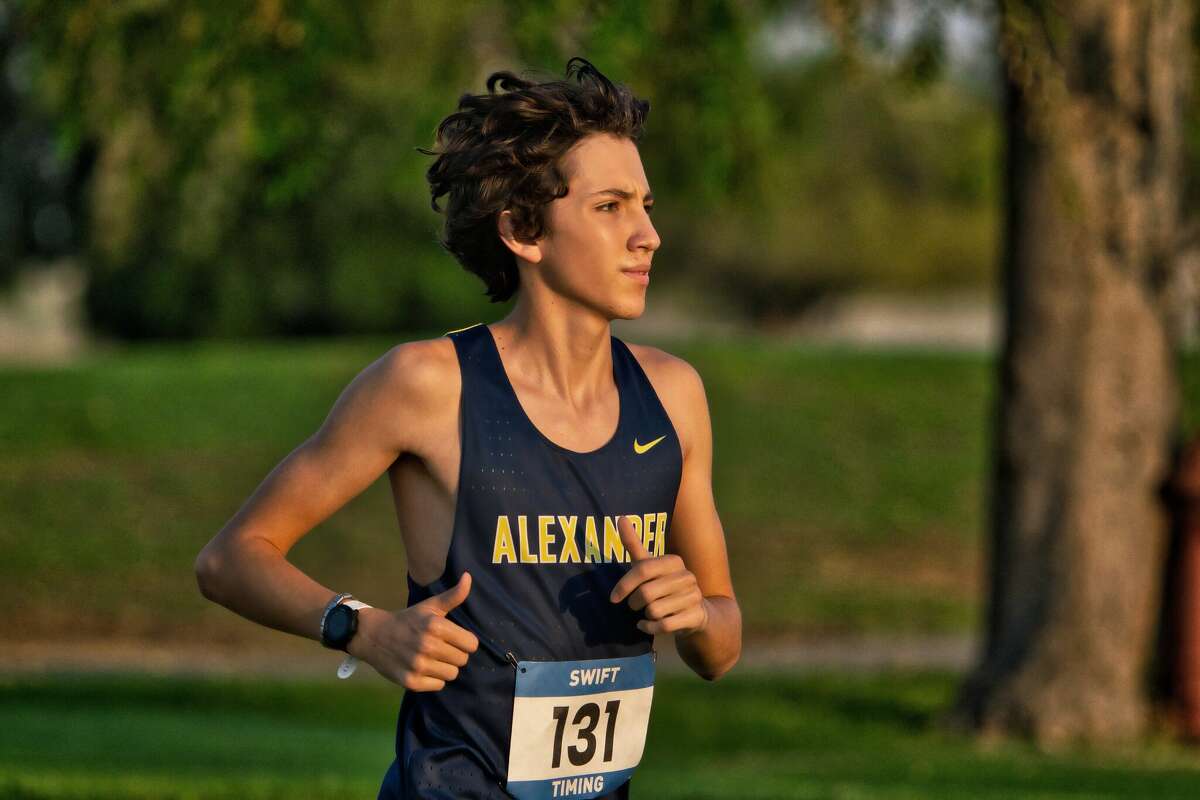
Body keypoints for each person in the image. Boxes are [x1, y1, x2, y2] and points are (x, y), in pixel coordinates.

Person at [194, 57, 740, 799]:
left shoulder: (673, 396)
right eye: (611, 207)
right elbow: (231, 558)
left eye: (645, 204)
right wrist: (362, 629)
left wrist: (696, 611)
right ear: (522, 229)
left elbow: (720, 646)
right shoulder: (427, 386)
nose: (649, 235)